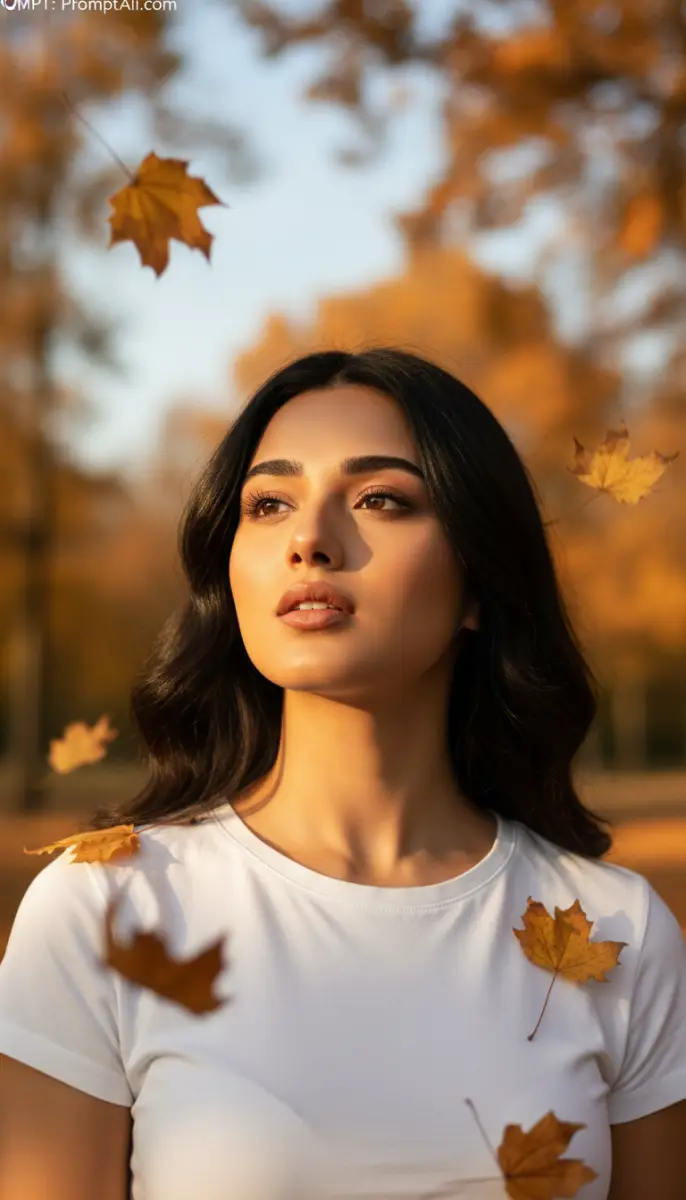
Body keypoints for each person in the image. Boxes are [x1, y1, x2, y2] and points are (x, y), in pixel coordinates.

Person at [0, 347, 685, 1200]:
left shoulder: (617, 936)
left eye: (380, 499)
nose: (309, 540)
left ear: (479, 582)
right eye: (270, 503)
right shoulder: (108, 908)